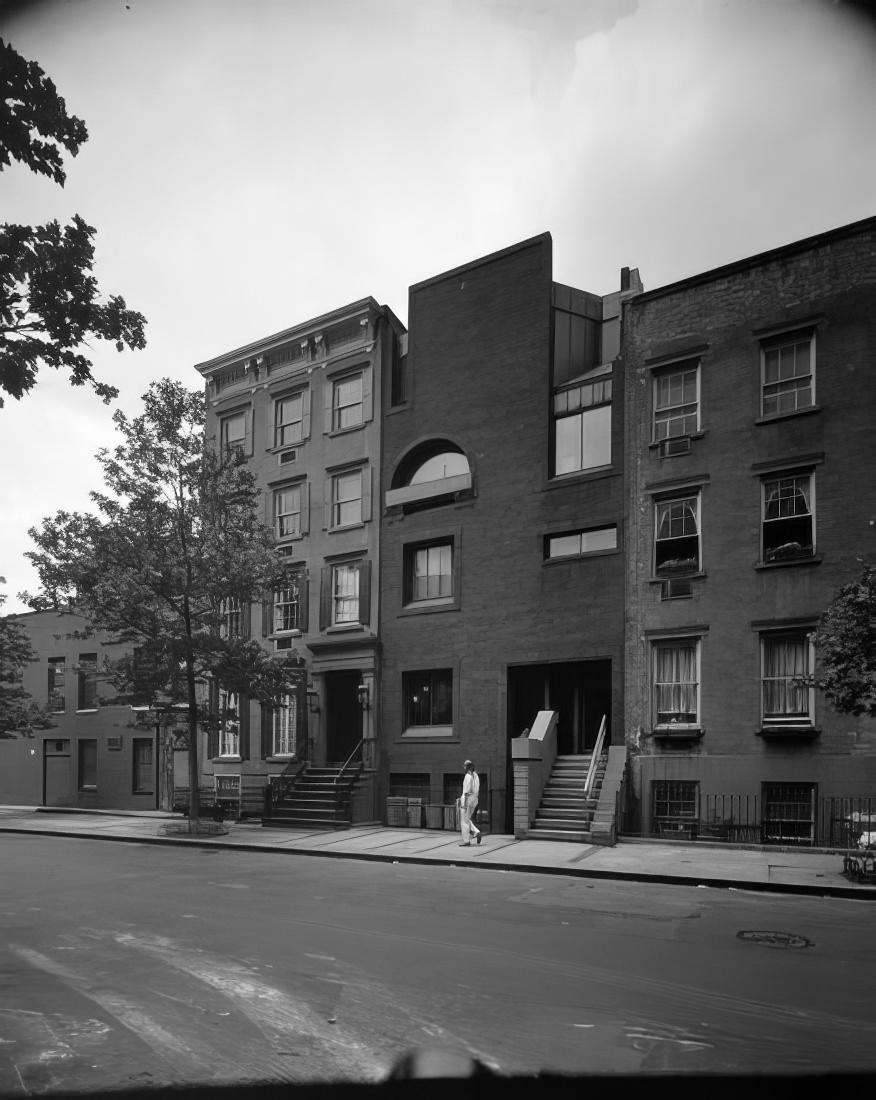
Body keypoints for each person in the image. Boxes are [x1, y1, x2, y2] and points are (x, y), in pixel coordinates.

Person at [458, 759, 481, 846]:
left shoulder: (468, 776)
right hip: (475, 799)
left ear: (467, 767)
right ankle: (476, 832)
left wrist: (463, 803)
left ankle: (466, 840)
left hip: (467, 799)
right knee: (467, 819)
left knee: (464, 821)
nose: (463, 767)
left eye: (464, 766)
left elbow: (466, 792)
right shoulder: (476, 776)